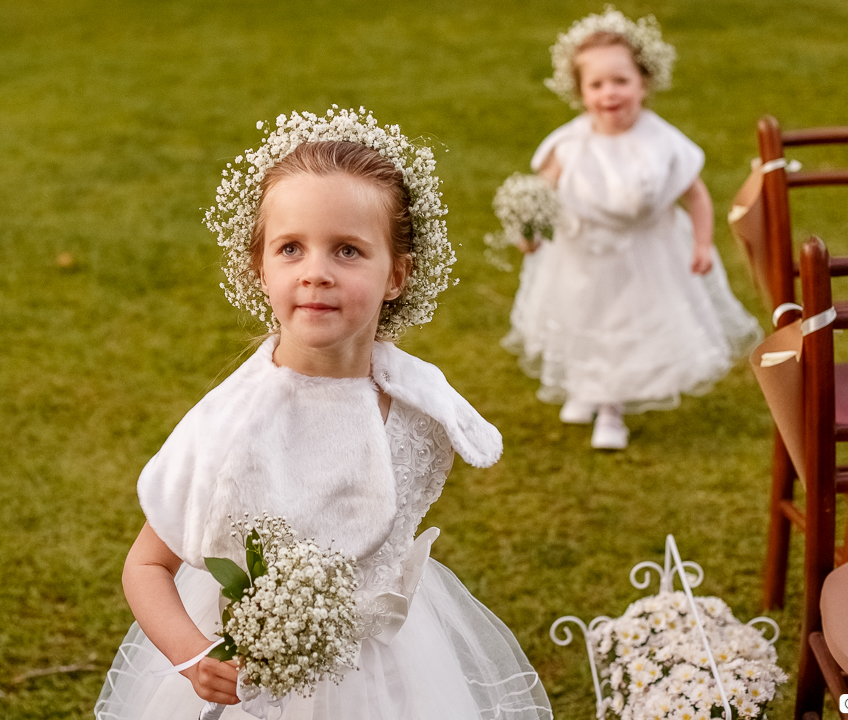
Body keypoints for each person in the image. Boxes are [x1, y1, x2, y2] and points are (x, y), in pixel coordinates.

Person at [95, 109, 552, 720]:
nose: (316, 273)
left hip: (392, 669)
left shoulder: (414, 395)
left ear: (396, 275)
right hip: (259, 677)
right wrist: (192, 655)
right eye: (291, 248)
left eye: (347, 250)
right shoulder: (232, 422)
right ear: (260, 270)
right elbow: (148, 564)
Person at [503, 9, 762, 450]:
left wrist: (702, 244)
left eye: (621, 81)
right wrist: (529, 233)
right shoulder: (569, 144)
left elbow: (696, 195)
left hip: (644, 254)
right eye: (596, 84)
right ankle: (585, 388)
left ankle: (611, 410)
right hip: (581, 253)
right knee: (583, 320)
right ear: (580, 92)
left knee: (623, 328)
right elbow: (541, 196)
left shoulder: (662, 143)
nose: (610, 93)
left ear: (644, 82)